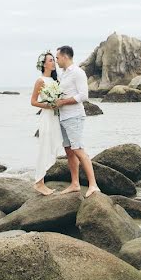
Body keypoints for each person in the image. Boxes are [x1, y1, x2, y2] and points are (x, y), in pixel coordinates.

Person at [53, 45, 101, 197]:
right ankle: (75, 184)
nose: (56, 60)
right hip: (63, 117)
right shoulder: (64, 74)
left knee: (78, 149)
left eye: (57, 57)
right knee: (69, 151)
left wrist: (63, 102)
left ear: (65, 57)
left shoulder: (78, 73)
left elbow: (83, 96)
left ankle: (93, 185)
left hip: (74, 116)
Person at [30, 50, 64, 196]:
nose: (53, 62)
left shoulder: (56, 81)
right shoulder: (40, 81)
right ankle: (39, 182)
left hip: (55, 118)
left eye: (53, 60)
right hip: (46, 117)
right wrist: (47, 105)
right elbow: (33, 102)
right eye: (50, 60)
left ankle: (41, 181)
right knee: (44, 147)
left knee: (51, 147)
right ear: (44, 64)